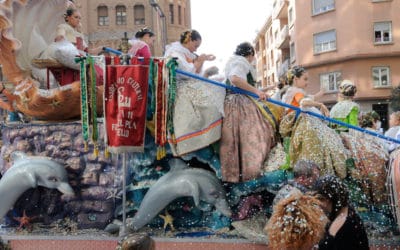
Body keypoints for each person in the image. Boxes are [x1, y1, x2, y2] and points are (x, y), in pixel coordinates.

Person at [219, 42, 283, 183]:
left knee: (237, 139)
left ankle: (236, 174)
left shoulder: (234, 62)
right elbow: (235, 79)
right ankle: (252, 172)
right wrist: (256, 91)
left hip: (234, 103)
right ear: (251, 55)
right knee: (257, 134)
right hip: (240, 104)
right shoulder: (241, 62)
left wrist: (263, 89)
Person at [164, 29, 225, 156]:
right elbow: (187, 72)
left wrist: (205, 67)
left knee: (217, 87)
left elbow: (195, 73)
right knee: (209, 103)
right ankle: (201, 136)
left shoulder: (187, 54)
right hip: (180, 87)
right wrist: (200, 61)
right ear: (189, 40)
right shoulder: (175, 52)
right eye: (195, 46)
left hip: (189, 84)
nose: (196, 50)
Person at [314, 175, 369, 250]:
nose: (318, 203)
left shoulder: (344, 224)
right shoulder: (347, 211)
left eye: (320, 199)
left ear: (330, 198)